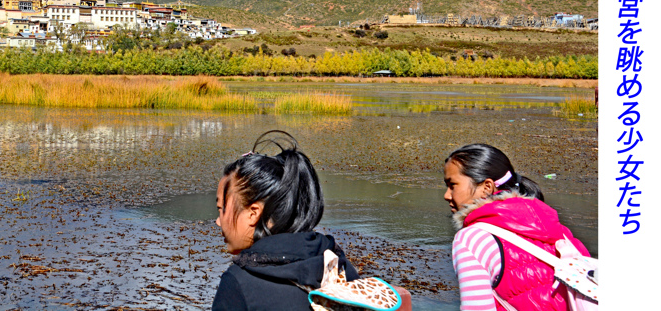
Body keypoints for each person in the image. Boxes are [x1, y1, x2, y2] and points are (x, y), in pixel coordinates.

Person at [212, 130, 411, 311]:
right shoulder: (337, 266)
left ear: (253, 213)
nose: (218, 222)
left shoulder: (239, 282)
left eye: (222, 209)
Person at [443, 143, 591, 311]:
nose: (446, 195)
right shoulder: (558, 229)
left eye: (452, 185)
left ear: (486, 188)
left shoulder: (471, 238)